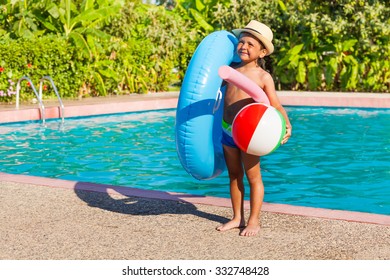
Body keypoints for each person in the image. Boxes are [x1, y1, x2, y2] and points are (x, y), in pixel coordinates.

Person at [216, 20, 292, 236]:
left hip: (250, 134)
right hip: (227, 130)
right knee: (233, 175)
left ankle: (254, 220)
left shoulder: (262, 77)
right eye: (242, 42)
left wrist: (286, 123)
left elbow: (275, 104)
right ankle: (237, 218)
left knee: (253, 177)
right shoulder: (230, 71)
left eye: (251, 44)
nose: (244, 47)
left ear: (262, 52)